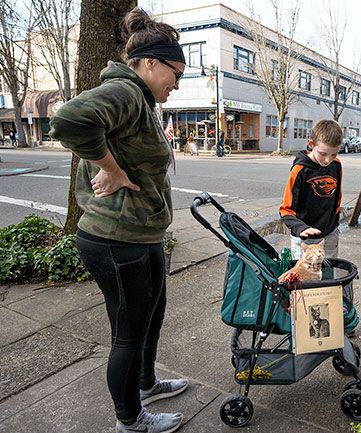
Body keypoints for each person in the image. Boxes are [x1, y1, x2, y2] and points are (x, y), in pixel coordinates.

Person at [49, 7, 188, 433]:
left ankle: (146, 384)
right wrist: (109, 167)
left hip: (140, 234)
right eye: (174, 73)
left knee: (153, 312)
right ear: (150, 63)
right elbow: (68, 119)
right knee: (127, 333)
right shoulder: (125, 93)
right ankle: (130, 420)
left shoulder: (141, 100)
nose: (176, 84)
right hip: (116, 238)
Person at [280, 119, 343, 264]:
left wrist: (334, 223)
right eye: (323, 154)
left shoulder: (337, 165)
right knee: (305, 280)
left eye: (334, 154)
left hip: (329, 234)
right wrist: (300, 227)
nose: (328, 160)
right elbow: (285, 209)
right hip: (304, 239)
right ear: (310, 144)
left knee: (328, 276)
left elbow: (337, 198)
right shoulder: (300, 170)